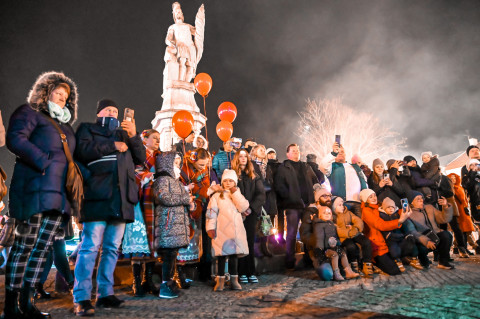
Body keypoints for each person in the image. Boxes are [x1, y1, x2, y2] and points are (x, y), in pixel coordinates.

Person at [4, 71, 78, 319]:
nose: (62, 99)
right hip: (32, 191)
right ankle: (11, 308)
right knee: (24, 247)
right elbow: (15, 138)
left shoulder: (67, 127)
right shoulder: (29, 112)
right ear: (45, 92)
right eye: (58, 93)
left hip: (57, 197)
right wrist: (43, 161)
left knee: (41, 249)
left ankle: (27, 304)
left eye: (66, 96)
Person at [73, 99, 146, 316]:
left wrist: (133, 136)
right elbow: (82, 151)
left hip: (121, 198)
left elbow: (140, 159)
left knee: (112, 249)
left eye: (116, 109)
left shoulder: (124, 134)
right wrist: (111, 146)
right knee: (89, 248)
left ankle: (105, 294)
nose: (113, 112)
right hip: (97, 195)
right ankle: (82, 297)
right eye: (109, 109)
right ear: (99, 112)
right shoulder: (87, 129)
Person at [121, 129, 162, 296]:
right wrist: (145, 176)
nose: (158, 141)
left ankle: (148, 280)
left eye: (159, 138)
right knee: (139, 241)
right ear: (145, 139)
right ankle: (136, 282)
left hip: (154, 202)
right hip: (140, 202)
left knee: (153, 242)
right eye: (154, 138)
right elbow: (131, 172)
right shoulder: (138, 152)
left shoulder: (160, 156)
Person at [153, 151, 195, 299]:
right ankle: (165, 286)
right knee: (169, 256)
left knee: (172, 255)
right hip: (168, 224)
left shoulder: (174, 181)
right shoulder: (163, 180)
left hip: (174, 226)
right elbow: (164, 197)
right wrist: (184, 198)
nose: (178, 166)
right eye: (175, 163)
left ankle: (170, 283)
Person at [274, 144, 318, 269]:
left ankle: (309, 259)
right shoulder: (284, 167)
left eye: (298, 150)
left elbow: (316, 180)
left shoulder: (305, 166)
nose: (296, 152)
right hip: (292, 205)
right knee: (292, 233)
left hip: (307, 204)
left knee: (307, 231)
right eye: (293, 151)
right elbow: (279, 185)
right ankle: (289, 260)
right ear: (288, 154)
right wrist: (289, 197)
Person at [206, 169, 250, 291]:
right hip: (221, 230)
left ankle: (234, 280)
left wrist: (234, 192)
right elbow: (211, 213)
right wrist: (210, 228)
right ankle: (220, 280)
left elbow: (243, 206)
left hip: (235, 231)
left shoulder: (237, 194)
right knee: (221, 257)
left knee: (234, 257)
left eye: (231, 181)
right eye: (225, 181)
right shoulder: (216, 196)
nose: (228, 183)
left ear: (235, 182)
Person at [232, 149, 266, 283]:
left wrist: (251, 208)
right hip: (236, 213)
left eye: (245, 156)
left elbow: (261, 194)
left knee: (249, 242)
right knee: (239, 242)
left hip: (250, 214)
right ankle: (240, 272)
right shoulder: (233, 174)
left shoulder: (254, 175)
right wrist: (240, 208)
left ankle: (250, 271)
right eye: (240, 156)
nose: (243, 158)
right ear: (237, 158)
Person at [300, 205, 360, 281]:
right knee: (334, 255)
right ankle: (336, 273)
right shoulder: (319, 225)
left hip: (332, 246)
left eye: (329, 213)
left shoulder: (331, 224)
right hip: (325, 249)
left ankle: (348, 271)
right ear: (320, 215)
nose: (327, 214)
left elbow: (336, 236)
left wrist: (337, 243)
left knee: (342, 253)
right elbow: (319, 237)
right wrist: (319, 249)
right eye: (324, 213)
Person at [360, 189, 411, 275]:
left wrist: (404, 211)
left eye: (374, 195)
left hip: (388, 241)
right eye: (370, 197)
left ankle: (397, 258)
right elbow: (381, 225)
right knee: (394, 271)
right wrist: (399, 221)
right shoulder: (366, 211)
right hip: (378, 245)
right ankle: (374, 263)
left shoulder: (379, 206)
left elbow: (394, 211)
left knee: (408, 241)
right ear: (365, 200)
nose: (374, 198)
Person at [178, 148, 211, 280]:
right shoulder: (183, 168)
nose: (204, 167)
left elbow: (206, 188)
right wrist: (198, 190)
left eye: (206, 164)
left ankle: (191, 270)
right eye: (201, 164)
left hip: (197, 208)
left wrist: (197, 190)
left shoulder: (204, 171)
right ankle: (180, 271)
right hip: (183, 207)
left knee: (195, 239)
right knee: (183, 237)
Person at [407, 191, 454, 269]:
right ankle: (423, 259)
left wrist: (446, 207)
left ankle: (443, 261)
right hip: (421, 240)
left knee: (446, 235)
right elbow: (413, 232)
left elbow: (443, 219)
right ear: (411, 202)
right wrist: (426, 241)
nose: (421, 200)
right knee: (424, 262)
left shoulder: (429, 208)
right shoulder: (409, 214)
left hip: (434, 235)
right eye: (418, 199)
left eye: (422, 198)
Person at [330, 196, 374, 277]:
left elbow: (358, 220)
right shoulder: (333, 217)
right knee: (351, 247)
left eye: (342, 204)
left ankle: (367, 263)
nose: (342, 207)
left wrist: (356, 228)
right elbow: (337, 230)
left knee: (366, 242)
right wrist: (350, 232)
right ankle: (353, 264)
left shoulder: (348, 213)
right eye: (339, 205)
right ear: (334, 207)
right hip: (344, 237)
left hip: (354, 233)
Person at [321, 142, 367, 217]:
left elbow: (364, 181)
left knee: (360, 225)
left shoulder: (355, 167)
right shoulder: (332, 167)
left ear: (345, 154)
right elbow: (323, 166)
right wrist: (333, 153)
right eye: (337, 152)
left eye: (342, 152)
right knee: (343, 226)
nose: (340, 153)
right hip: (341, 203)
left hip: (358, 202)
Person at [164, 2, 204, 83]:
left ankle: (186, 85)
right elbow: (168, 39)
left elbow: (198, 32)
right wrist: (171, 45)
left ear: (182, 14)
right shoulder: (172, 27)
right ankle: (180, 84)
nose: (178, 13)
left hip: (190, 48)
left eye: (179, 12)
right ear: (174, 15)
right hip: (181, 47)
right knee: (182, 64)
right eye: (176, 12)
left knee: (190, 68)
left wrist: (200, 19)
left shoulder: (187, 26)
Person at [378, 197, 420, 271]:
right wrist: (394, 236)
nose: (391, 209)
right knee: (394, 248)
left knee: (411, 241)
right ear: (384, 208)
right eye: (388, 207)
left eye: (392, 207)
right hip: (391, 238)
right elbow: (384, 229)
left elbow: (403, 226)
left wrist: (407, 234)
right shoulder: (382, 216)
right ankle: (397, 260)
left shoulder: (397, 215)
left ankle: (413, 258)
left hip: (400, 236)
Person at [250, 144, 277, 257]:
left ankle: (264, 247)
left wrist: (269, 183)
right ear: (254, 152)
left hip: (267, 197)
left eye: (264, 150)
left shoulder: (267, 166)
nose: (263, 152)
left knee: (265, 224)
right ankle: (256, 249)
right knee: (256, 223)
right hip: (256, 197)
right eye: (261, 150)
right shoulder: (251, 165)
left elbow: (271, 180)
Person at [448, 173, 477, 255]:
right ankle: (462, 249)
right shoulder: (451, 188)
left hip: (463, 211)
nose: (453, 179)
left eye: (454, 178)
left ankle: (464, 249)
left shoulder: (460, 187)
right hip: (457, 211)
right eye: (451, 178)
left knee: (465, 231)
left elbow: (464, 199)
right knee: (460, 230)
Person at [462, 158, 480, 253]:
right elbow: (466, 185)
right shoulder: (467, 177)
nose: (474, 166)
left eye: (476, 164)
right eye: (471, 165)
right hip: (477, 204)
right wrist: (472, 174)